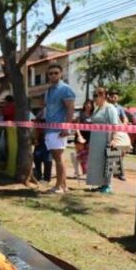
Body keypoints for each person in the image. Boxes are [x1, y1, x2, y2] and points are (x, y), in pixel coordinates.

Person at [43, 64, 75, 194]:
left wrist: (66, 127)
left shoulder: (65, 89)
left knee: (58, 158)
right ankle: (64, 186)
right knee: (57, 158)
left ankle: (58, 187)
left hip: (59, 129)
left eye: (56, 73)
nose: (53, 75)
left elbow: (70, 109)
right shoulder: (49, 90)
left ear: (61, 74)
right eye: (50, 73)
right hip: (49, 129)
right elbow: (47, 108)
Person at [86, 87, 120, 194]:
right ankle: (101, 184)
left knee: (108, 162)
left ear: (104, 96)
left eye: (97, 95)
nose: (94, 98)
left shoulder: (110, 108)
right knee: (98, 162)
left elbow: (115, 124)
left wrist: (114, 139)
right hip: (96, 141)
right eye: (94, 95)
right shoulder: (97, 109)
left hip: (106, 139)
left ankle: (108, 185)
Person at [108, 89, 128, 180]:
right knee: (113, 150)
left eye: (116, 96)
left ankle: (116, 171)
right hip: (109, 131)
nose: (114, 97)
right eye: (112, 96)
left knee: (122, 150)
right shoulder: (107, 106)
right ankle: (118, 172)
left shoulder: (120, 108)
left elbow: (125, 118)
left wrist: (124, 123)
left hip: (119, 131)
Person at [70, 99, 93, 179]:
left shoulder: (93, 115)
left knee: (87, 155)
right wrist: (79, 136)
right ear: (84, 105)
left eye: (90, 104)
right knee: (80, 154)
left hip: (89, 136)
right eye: (87, 104)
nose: (88, 105)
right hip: (80, 136)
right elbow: (76, 126)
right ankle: (77, 171)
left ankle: (85, 171)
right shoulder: (80, 114)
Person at [33, 115, 52, 183]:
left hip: (48, 138)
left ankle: (47, 178)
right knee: (37, 158)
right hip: (40, 138)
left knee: (47, 160)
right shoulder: (40, 113)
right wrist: (36, 139)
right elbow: (36, 127)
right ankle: (38, 176)